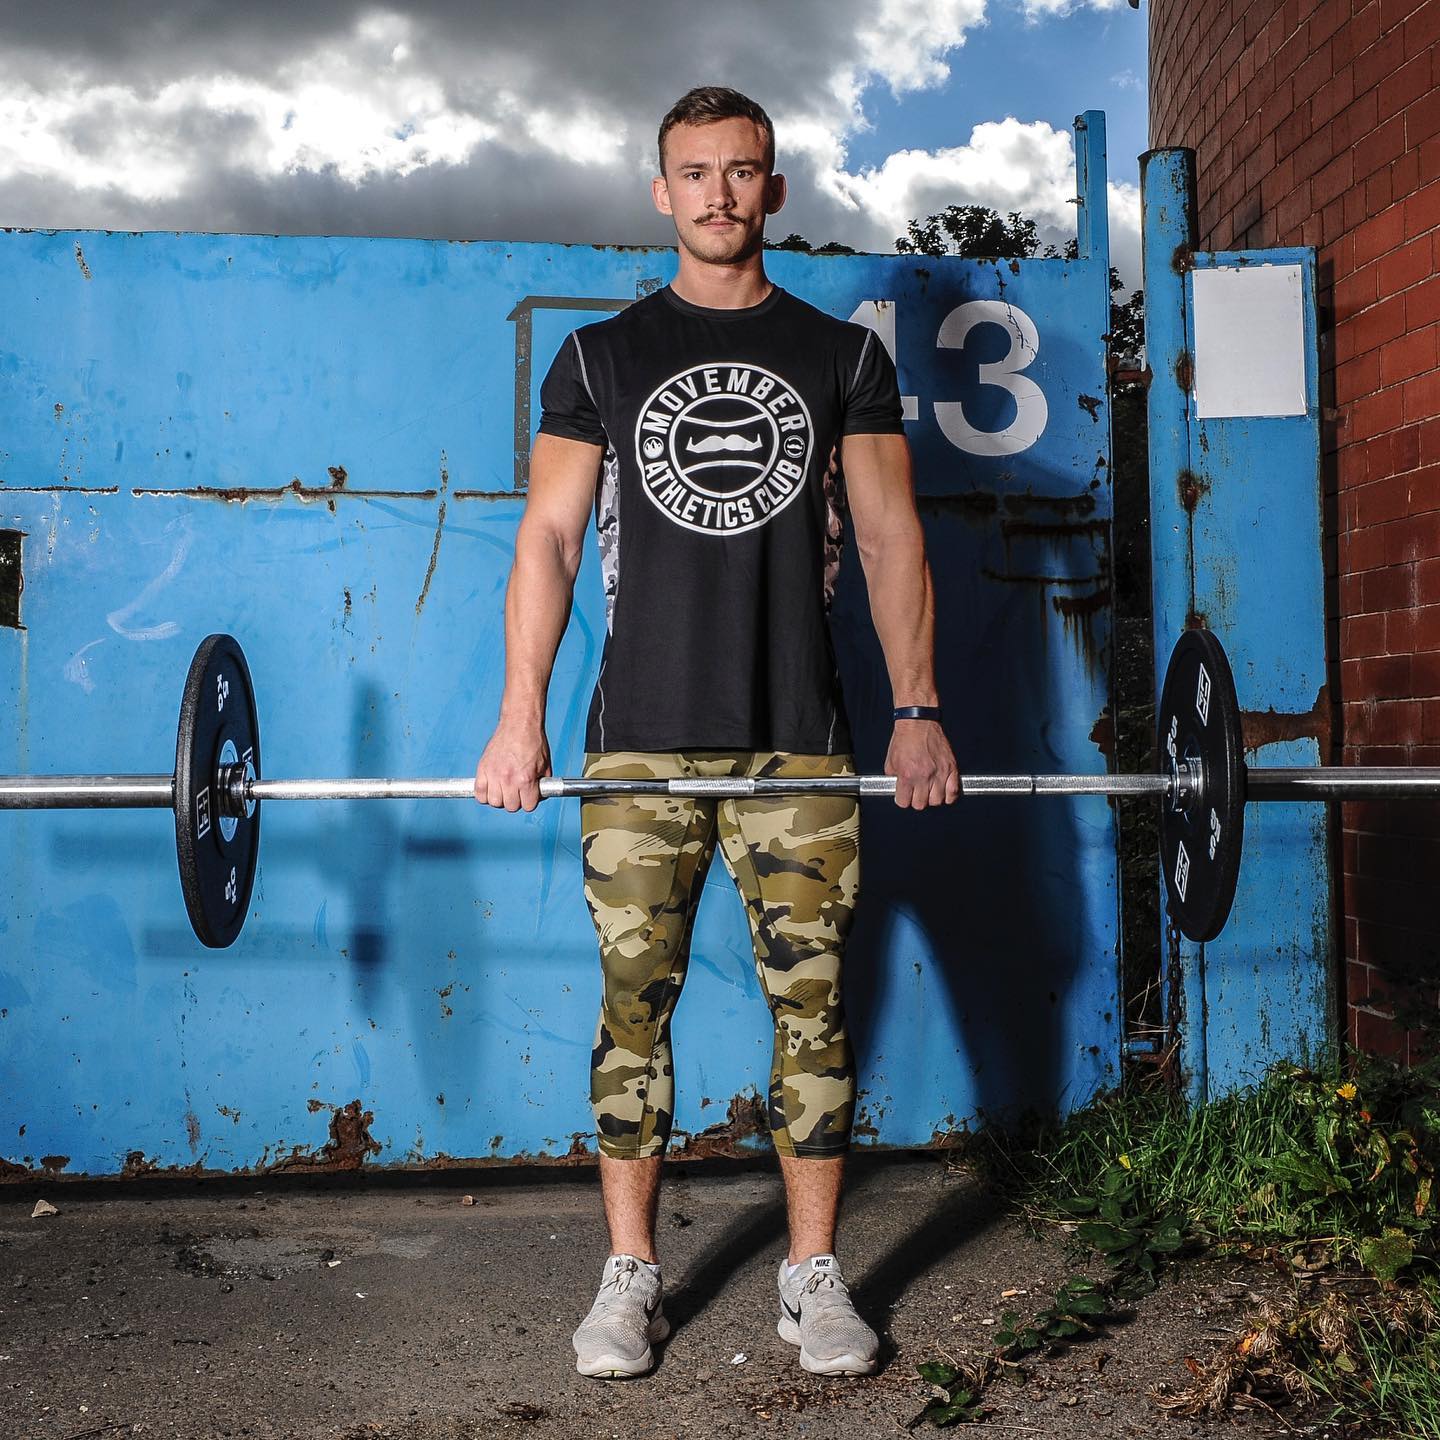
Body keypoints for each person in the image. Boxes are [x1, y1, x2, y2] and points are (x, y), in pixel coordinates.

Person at [473, 85, 958, 1381]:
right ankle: (629, 1279)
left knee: (816, 1009)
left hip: (799, 739)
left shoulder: (842, 356)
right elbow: (551, 539)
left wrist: (917, 710)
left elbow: (896, 537)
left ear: (774, 189)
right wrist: (520, 718)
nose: (717, 196)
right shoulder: (599, 359)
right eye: (693, 174)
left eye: (741, 173)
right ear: (660, 191)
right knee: (633, 1010)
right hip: (637, 740)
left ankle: (813, 1277)